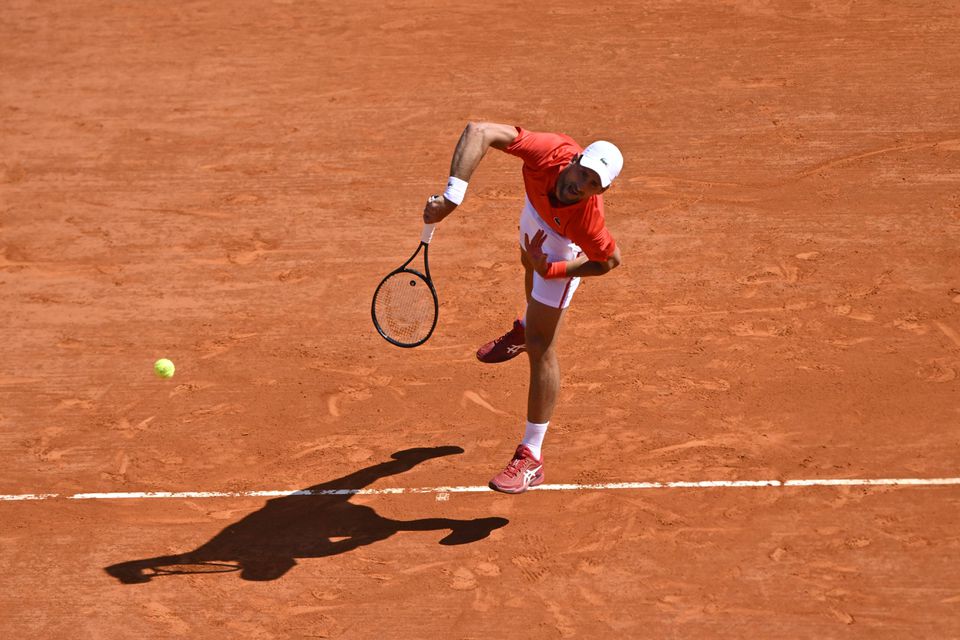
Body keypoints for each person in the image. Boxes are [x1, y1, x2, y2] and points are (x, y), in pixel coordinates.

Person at [423, 122, 623, 494]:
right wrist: (453, 197)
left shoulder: (587, 221)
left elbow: (610, 261)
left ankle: (531, 456)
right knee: (524, 263)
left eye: (594, 183)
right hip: (534, 214)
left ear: (602, 190)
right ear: (576, 158)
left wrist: (556, 268)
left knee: (542, 347)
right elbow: (479, 131)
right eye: (583, 172)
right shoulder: (548, 151)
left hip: (561, 247)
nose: (581, 184)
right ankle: (525, 328)